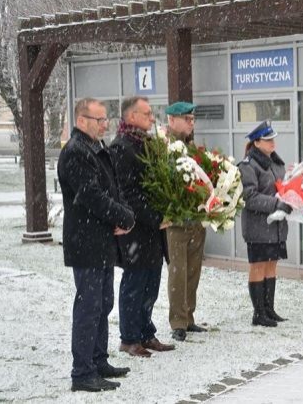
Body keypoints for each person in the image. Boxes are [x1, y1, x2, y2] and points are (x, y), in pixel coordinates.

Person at [58, 98, 135, 392]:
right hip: (86, 241)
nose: (105, 125)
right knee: (89, 306)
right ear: (81, 120)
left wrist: (125, 214)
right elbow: (91, 196)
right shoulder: (76, 152)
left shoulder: (95, 149)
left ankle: (98, 360)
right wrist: (123, 215)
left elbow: (112, 189)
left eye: (106, 120)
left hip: (101, 239)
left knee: (103, 302)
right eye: (99, 119)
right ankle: (82, 371)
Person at [109, 96, 175, 357]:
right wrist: (155, 217)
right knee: (134, 283)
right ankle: (129, 338)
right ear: (132, 116)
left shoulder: (148, 144)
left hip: (153, 229)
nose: (152, 118)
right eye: (147, 114)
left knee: (152, 283)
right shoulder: (121, 147)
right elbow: (127, 192)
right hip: (135, 229)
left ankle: (146, 333)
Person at [238, 120, 290, 327]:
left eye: (272, 139)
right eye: (267, 140)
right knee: (258, 267)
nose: (272, 143)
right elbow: (249, 197)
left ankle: (269, 309)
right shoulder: (248, 165)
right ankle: (258, 313)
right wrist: (276, 203)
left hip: (276, 226)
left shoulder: (276, 163)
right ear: (256, 142)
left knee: (271, 266)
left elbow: (282, 187)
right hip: (258, 226)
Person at [164, 101, 208, 341]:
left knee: (193, 270)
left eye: (193, 119)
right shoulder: (165, 147)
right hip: (177, 220)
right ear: (172, 120)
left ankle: (189, 316)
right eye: (187, 119)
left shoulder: (193, 148)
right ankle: (178, 322)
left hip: (196, 218)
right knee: (178, 272)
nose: (192, 123)